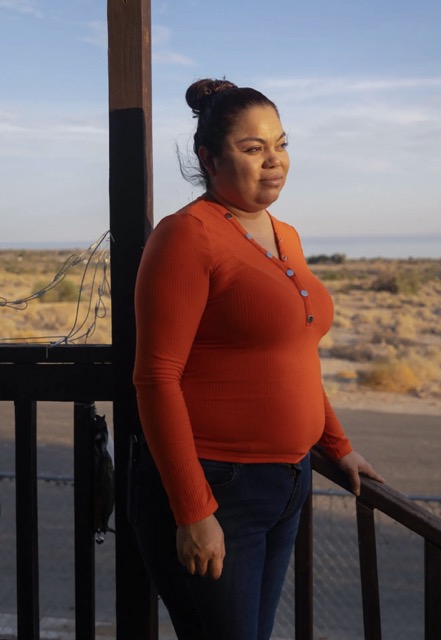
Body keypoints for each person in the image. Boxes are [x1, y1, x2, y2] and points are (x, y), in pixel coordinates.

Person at [132, 78, 384, 640]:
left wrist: (336, 445)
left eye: (281, 144)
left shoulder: (284, 234)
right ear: (209, 157)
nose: (274, 161)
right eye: (253, 148)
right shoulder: (185, 237)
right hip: (217, 487)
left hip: (287, 482)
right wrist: (193, 510)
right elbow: (155, 377)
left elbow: (292, 355)